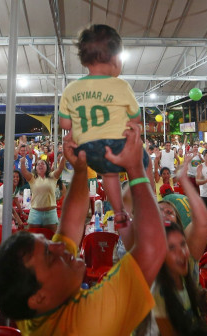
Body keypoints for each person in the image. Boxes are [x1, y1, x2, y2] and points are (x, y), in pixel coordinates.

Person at [0, 123, 166, 336]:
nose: (60, 245)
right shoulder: (85, 325)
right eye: (50, 256)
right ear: (39, 297)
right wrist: (137, 170)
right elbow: (153, 247)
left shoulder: (31, 306)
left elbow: (69, 224)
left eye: (49, 243)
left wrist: (80, 169)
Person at [59, 24, 147, 229]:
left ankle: (118, 212)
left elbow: (65, 124)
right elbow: (136, 119)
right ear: (116, 59)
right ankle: (145, 200)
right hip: (117, 145)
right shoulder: (121, 86)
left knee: (108, 173)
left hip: (87, 151)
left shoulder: (71, 89)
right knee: (143, 162)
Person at [20, 157, 65, 231]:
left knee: (51, 237)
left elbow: (60, 168)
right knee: (33, 238)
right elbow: (24, 172)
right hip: (35, 213)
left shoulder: (52, 176)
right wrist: (22, 162)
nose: (40, 165)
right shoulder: (32, 177)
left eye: (43, 164)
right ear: (36, 168)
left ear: (47, 167)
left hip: (50, 213)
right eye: (38, 164)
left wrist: (63, 158)